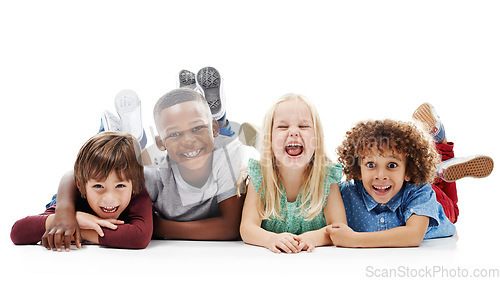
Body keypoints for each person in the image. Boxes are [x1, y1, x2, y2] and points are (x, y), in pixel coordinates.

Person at [42, 88, 246, 250]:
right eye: (175, 134)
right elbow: (73, 175)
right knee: (109, 164)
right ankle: (128, 137)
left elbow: (230, 228)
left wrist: (159, 228)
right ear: (161, 143)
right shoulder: (154, 173)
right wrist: (65, 213)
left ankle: (131, 136)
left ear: (214, 129)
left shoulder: (228, 154)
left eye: (197, 128)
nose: (189, 140)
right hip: (139, 160)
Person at [328, 103, 493, 248]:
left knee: (452, 209)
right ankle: (439, 168)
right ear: (358, 169)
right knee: (428, 181)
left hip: (434, 201)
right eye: (371, 165)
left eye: (391, 165)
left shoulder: (420, 191)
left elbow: (413, 236)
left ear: (409, 171)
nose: (380, 175)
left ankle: (439, 160)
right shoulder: (345, 193)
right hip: (405, 182)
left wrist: (355, 240)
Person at [239, 94, 347, 254]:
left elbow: (340, 228)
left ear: (316, 139)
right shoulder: (260, 175)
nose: (294, 132)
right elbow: (247, 228)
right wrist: (270, 239)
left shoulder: (327, 176)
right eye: (283, 127)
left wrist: (312, 238)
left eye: (303, 127)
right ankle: (261, 141)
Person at [10, 132, 153, 250]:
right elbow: (18, 232)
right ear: (82, 186)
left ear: (134, 186)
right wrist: (66, 216)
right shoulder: (78, 197)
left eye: (120, 186)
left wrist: (74, 226)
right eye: (98, 186)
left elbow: (138, 238)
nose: (109, 198)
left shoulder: (137, 192)